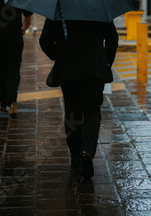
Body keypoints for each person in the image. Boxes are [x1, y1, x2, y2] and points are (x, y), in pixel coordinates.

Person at [39, 18, 118, 178]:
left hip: (68, 68)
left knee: (72, 109)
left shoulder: (58, 9)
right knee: (92, 111)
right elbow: (112, 39)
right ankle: (86, 152)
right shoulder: (99, 8)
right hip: (95, 68)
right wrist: (106, 61)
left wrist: (59, 55)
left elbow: (45, 41)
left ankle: (75, 153)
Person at [0, 0, 32, 118]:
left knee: (1, 69)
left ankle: (2, 102)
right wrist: (23, 29)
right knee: (14, 69)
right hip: (15, 36)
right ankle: (13, 103)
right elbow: (28, 20)